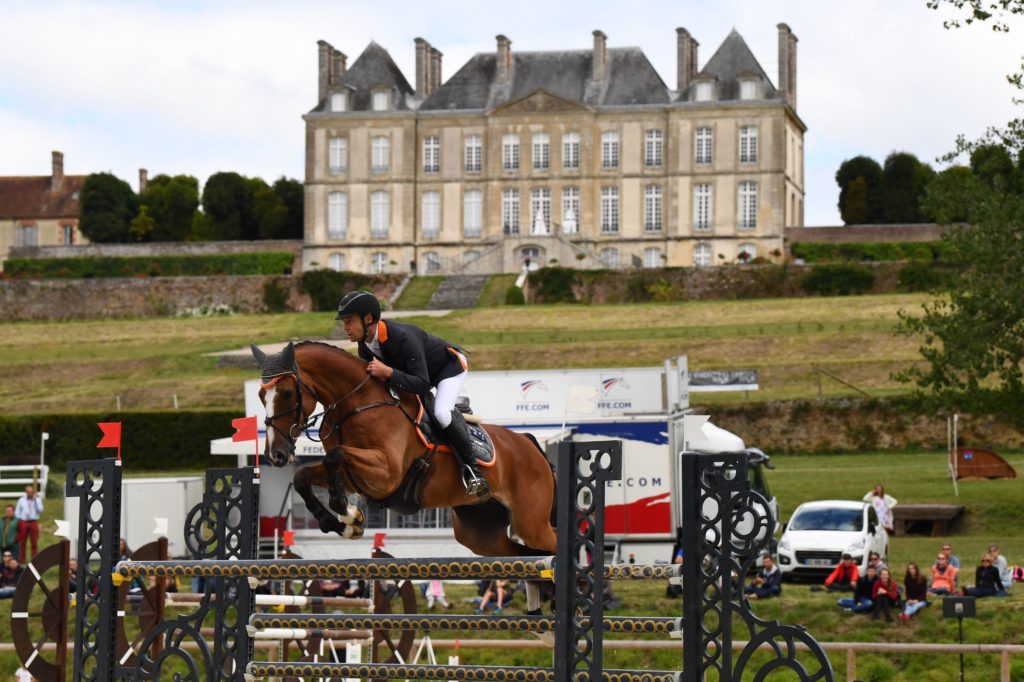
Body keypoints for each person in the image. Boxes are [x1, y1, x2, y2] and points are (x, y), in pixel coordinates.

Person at [335, 290, 489, 496]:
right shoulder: (365, 347)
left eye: (348, 321)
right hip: (417, 375)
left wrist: (389, 372)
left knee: (442, 413)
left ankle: (473, 472)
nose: (345, 327)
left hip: (449, 369)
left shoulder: (402, 338)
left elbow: (423, 384)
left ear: (368, 319)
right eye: (343, 322)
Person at [14, 485, 43, 563]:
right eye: (28, 492)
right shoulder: (21, 500)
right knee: (23, 541)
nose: (30, 493)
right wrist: (19, 520)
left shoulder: (37, 499)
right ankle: (22, 559)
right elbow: (17, 511)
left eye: (31, 492)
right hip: (24, 522)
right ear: (26, 492)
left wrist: (35, 500)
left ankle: (34, 559)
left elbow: (40, 510)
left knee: (34, 541)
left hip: (33, 521)